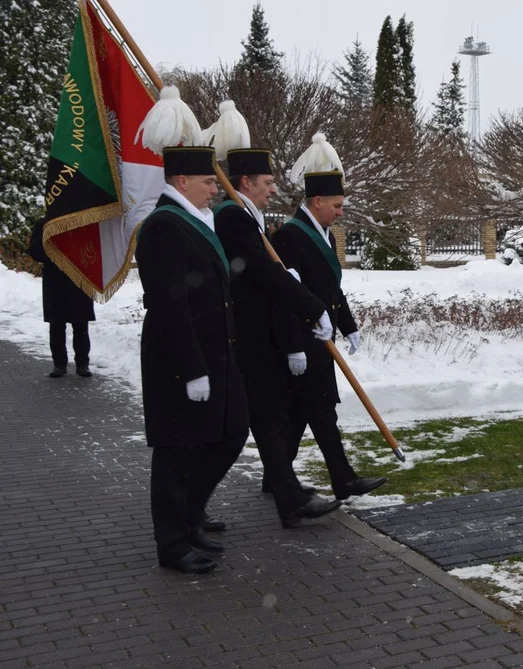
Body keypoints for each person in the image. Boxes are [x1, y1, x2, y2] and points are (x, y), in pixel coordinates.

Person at [213, 146, 342, 528]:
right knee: (247, 426)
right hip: (245, 336)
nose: (272, 190)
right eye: (266, 183)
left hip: (256, 337)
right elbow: (263, 275)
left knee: (269, 417)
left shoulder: (243, 215)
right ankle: (190, 504)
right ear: (245, 182)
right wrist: (308, 303)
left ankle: (288, 496)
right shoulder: (233, 217)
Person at [136, 145, 249, 573]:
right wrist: (192, 369)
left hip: (216, 352)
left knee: (230, 431)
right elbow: (170, 305)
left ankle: (191, 514)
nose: (213, 190)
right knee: (175, 452)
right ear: (181, 182)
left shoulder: (193, 220)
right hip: (179, 358)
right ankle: (172, 543)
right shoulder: (164, 226)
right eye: (208, 182)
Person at [272, 134, 386, 502]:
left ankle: (276, 476)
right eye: (336, 205)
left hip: (323, 337)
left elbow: (332, 288)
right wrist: (293, 347)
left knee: (304, 413)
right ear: (316, 201)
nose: (340, 212)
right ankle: (343, 479)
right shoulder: (290, 236)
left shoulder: (325, 235)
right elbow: (285, 298)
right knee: (320, 410)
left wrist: (348, 326)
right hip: (304, 339)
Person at [26, 218, 95, 378]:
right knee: (56, 325)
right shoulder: (44, 224)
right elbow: (34, 250)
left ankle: (82, 364)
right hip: (54, 279)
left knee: (81, 325)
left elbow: (93, 247)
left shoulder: (82, 220)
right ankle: (59, 364)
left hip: (79, 278)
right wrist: (55, 252)